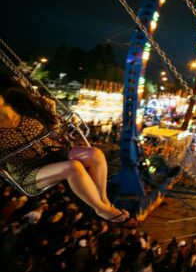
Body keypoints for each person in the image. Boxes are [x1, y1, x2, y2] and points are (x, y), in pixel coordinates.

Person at [0, 74, 128, 222]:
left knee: (95, 154)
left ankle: (104, 201)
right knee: (72, 168)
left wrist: (52, 114)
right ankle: (102, 209)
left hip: (55, 154)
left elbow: (56, 135)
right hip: (28, 172)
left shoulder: (29, 109)